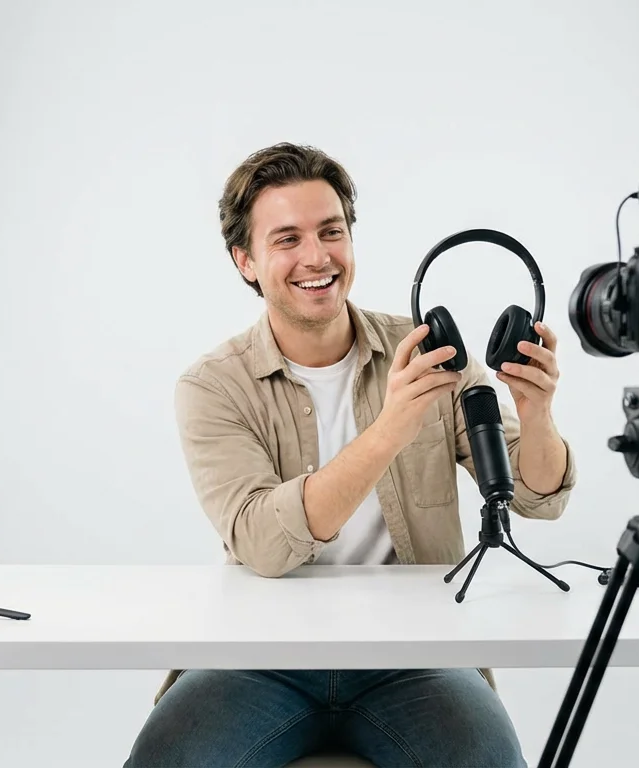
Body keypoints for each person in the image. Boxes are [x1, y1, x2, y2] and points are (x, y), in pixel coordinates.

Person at [124, 143, 578, 767]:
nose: (317, 257)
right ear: (245, 261)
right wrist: (390, 429)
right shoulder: (212, 386)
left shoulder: (433, 355)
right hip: (259, 654)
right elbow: (262, 541)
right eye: (287, 239)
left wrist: (536, 411)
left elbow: (537, 498)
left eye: (331, 231)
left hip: (415, 654)